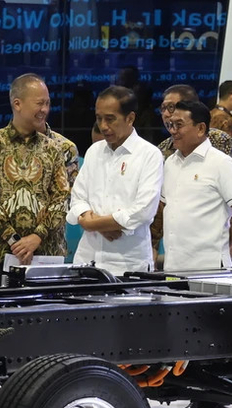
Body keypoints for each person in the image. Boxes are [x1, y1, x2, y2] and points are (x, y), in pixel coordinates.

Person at [161, 100, 232, 408]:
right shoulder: (169, 163)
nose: (173, 131)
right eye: (170, 125)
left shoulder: (220, 164)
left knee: (208, 342)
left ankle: (209, 405)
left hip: (208, 267)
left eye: (179, 125)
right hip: (176, 265)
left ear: (201, 129)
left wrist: (225, 241)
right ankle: (195, 399)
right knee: (184, 340)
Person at [0, 73, 69, 283]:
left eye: (47, 103)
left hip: (46, 252)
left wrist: (37, 236)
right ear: (17, 103)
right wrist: (14, 240)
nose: (45, 109)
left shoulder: (54, 148)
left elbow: (62, 198)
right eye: (39, 103)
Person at [67, 85, 163, 275]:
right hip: (88, 258)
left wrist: (92, 224)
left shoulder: (149, 154)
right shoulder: (94, 151)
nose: (103, 126)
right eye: (99, 118)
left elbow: (144, 210)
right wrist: (103, 225)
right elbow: (77, 198)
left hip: (127, 263)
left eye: (110, 119)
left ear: (130, 118)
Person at [151, 84, 232, 261]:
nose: (168, 114)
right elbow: (163, 208)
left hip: (214, 251)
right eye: (163, 108)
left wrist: (227, 242)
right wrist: (153, 245)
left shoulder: (220, 142)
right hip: (177, 254)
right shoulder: (164, 153)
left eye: (172, 107)